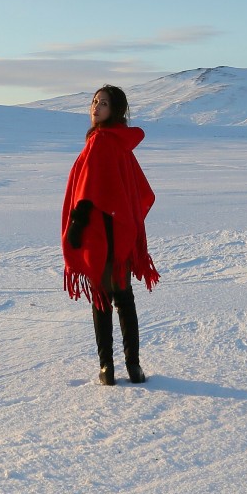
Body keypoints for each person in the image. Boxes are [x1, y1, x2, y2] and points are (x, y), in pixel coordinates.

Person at [61, 84, 160, 385]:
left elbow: (88, 190)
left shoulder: (101, 140)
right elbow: (132, 191)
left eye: (103, 103)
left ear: (114, 110)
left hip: (99, 233)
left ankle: (107, 368)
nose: (95, 107)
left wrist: (76, 225)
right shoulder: (119, 142)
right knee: (124, 298)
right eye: (94, 102)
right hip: (119, 231)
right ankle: (134, 366)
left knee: (103, 300)